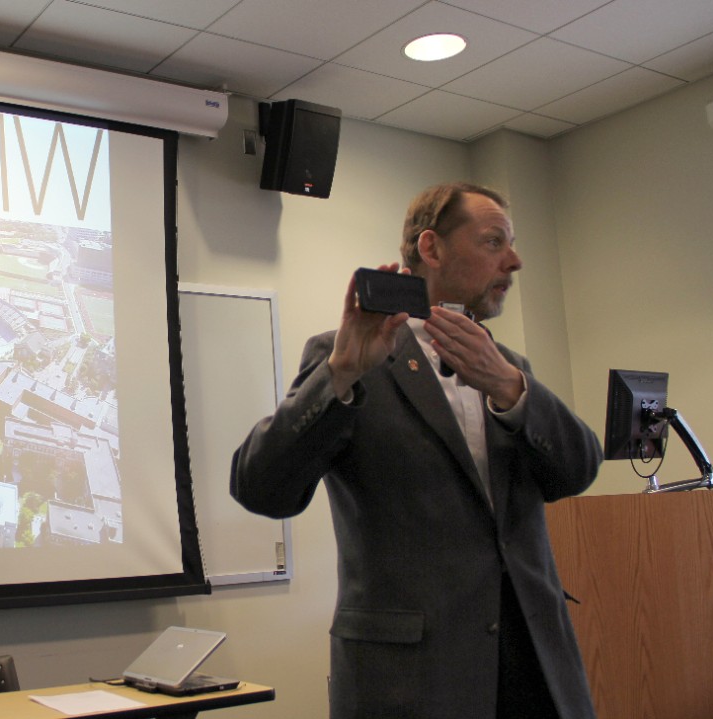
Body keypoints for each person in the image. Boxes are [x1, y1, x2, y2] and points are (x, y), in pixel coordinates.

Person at [230, 182, 601, 719]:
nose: (514, 261)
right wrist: (339, 376)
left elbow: (578, 470)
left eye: (512, 244)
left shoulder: (509, 367)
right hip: (413, 681)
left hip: (535, 669)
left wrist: (510, 387)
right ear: (432, 248)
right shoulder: (347, 358)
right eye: (494, 242)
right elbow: (260, 488)